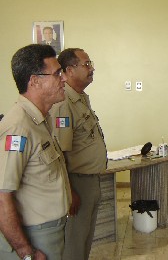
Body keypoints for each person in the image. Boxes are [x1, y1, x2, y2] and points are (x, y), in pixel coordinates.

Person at [0, 44, 71, 260]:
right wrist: (25, 251)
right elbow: (2, 196)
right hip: (34, 235)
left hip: (50, 230)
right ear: (34, 81)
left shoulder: (41, 119)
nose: (64, 79)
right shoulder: (18, 127)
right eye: (57, 73)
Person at [50, 48, 107, 260]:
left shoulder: (81, 99)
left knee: (85, 240)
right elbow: (60, 152)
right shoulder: (63, 104)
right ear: (70, 70)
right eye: (86, 64)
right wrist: (70, 191)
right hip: (77, 183)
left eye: (90, 63)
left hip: (90, 180)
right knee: (75, 243)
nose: (91, 68)